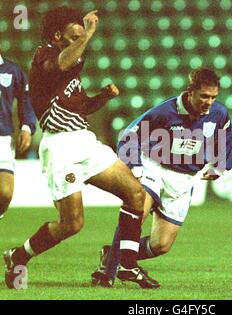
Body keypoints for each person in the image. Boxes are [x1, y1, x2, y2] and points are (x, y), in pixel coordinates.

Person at [3, 7, 159, 289]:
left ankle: (126, 265)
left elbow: (81, 107)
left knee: (135, 194)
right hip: (61, 147)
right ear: (58, 34)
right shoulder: (44, 56)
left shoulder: (72, 65)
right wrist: (88, 33)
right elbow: (60, 64)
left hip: (84, 141)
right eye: (75, 29)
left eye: (81, 29)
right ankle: (19, 255)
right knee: (72, 224)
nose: (81, 33)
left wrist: (104, 96)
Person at [91, 67, 232, 287]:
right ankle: (107, 274)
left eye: (213, 97)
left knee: (161, 245)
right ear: (190, 91)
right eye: (204, 96)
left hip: (184, 180)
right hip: (154, 168)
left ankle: (112, 254)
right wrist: (137, 169)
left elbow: (225, 137)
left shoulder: (219, 114)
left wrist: (220, 167)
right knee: (137, 211)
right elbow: (129, 135)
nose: (209, 102)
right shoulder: (164, 111)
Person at [0, 54, 36, 220]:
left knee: (5, 193)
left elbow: (26, 98)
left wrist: (27, 127)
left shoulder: (12, 70)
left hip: (3, 138)